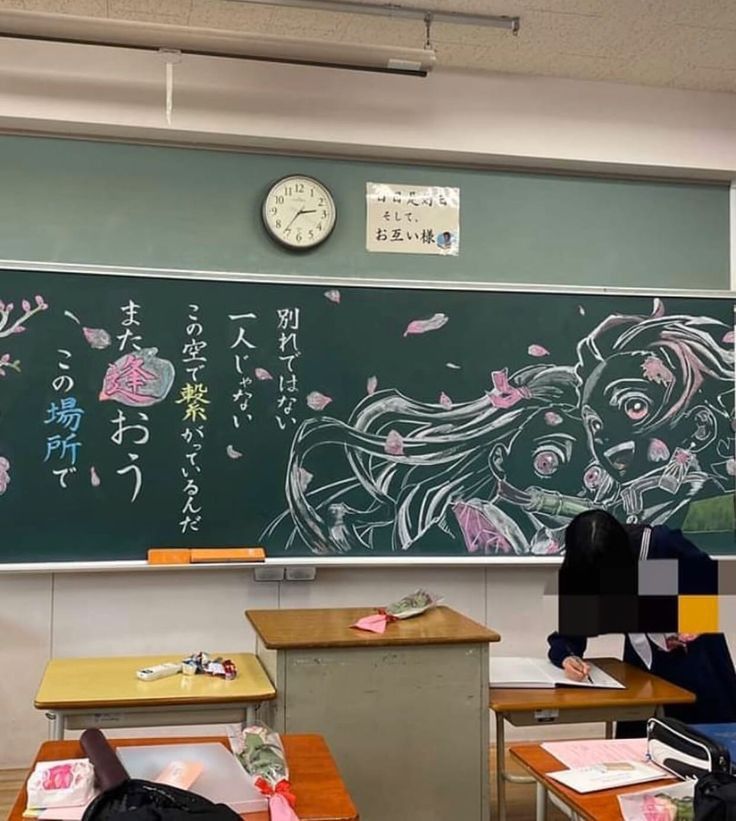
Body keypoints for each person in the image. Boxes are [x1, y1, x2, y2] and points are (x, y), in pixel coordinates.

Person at [547, 509, 736, 737]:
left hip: (694, 658)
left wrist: (693, 619)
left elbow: (706, 577)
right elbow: (568, 635)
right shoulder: (585, 567)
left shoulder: (658, 546)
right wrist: (568, 657)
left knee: (707, 745)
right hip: (642, 671)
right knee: (637, 748)